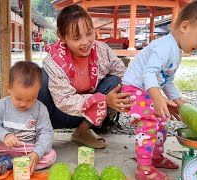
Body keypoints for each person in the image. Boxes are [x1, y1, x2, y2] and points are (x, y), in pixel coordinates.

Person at [121, 1, 197, 179]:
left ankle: (156, 157)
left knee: (162, 122)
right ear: (185, 26)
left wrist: (179, 101)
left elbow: (167, 81)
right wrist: (158, 97)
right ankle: (143, 169)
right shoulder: (164, 47)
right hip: (134, 89)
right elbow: (148, 72)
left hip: (148, 90)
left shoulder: (176, 51)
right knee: (149, 125)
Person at [38, 4, 134, 149]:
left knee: (116, 82)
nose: (86, 42)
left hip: (85, 116)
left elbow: (125, 75)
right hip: (56, 115)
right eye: (76, 38)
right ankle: (39, 134)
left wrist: (152, 97)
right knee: (40, 78)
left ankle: (83, 131)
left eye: (89, 33)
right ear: (61, 37)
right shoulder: (54, 61)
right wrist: (104, 100)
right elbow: (64, 101)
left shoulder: (102, 50)